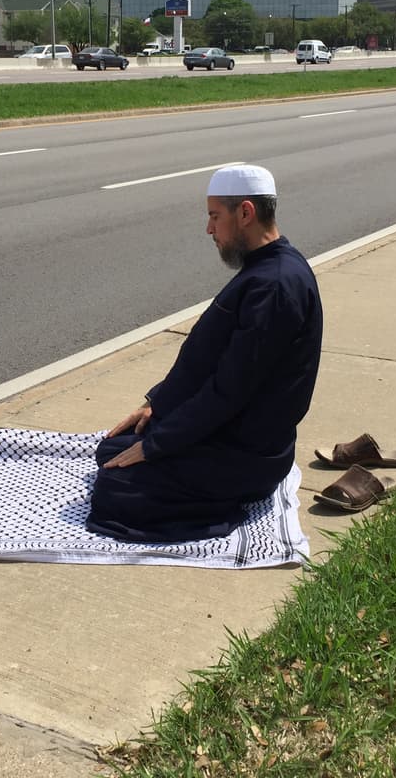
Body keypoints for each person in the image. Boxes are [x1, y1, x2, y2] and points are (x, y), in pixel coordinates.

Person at [86, 164, 323, 543]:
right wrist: (157, 405)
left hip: (248, 454)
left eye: (215, 216)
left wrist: (158, 445)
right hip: (227, 434)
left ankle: (228, 505)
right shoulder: (263, 271)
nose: (209, 229)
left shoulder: (276, 287)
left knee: (116, 489)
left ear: (245, 212)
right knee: (111, 450)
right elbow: (208, 359)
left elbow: (229, 391)